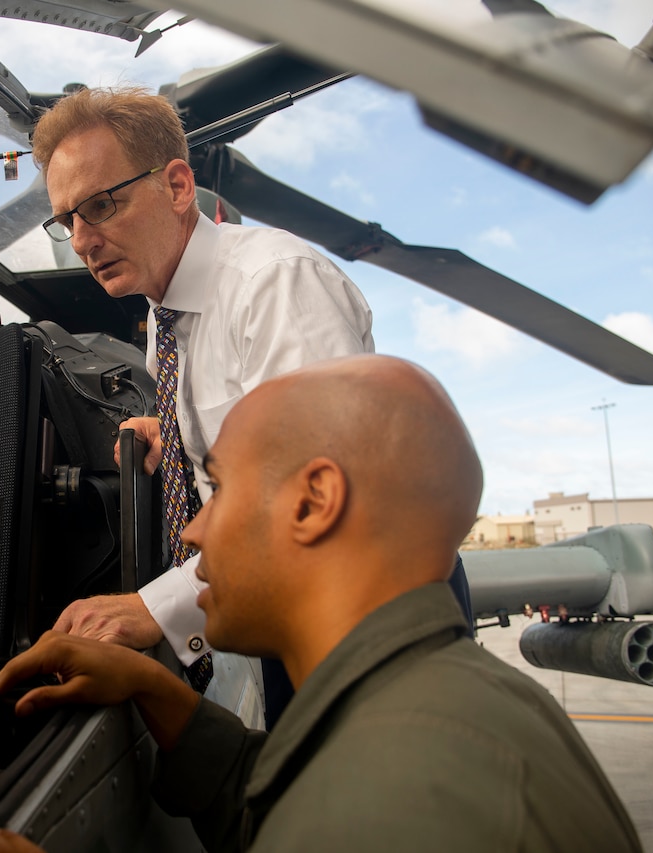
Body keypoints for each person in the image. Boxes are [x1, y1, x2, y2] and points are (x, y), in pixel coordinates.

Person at [0, 355, 642, 853]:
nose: (191, 528)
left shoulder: (401, 799)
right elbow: (287, 802)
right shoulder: (435, 713)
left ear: (313, 502)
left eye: (217, 490)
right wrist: (156, 687)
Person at [29, 86, 472, 715]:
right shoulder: (166, 312)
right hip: (287, 608)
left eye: (101, 205)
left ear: (178, 186)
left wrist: (154, 608)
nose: (80, 240)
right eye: (66, 219)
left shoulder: (277, 283)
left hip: (362, 615)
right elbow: (248, 418)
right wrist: (178, 434)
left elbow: (316, 504)